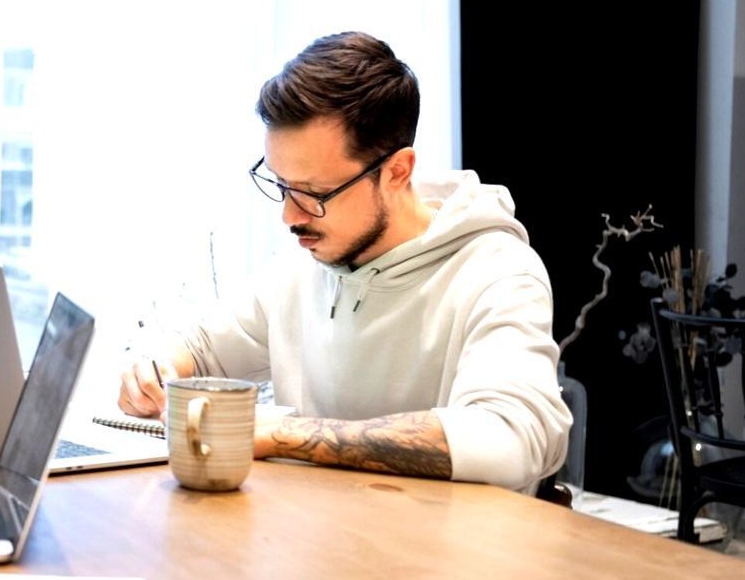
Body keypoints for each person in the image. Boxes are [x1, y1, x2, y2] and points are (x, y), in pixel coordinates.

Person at [116, 32, 569, 493]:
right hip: (323, 543)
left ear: (397, 171)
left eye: (313, 194)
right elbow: (199, 349)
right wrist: (155, 367)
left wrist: (283, 435)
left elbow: (510, 439)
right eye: (281, 185)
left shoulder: (497, 273)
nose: (290, 216)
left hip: (442, 556)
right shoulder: (305, 265)